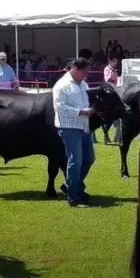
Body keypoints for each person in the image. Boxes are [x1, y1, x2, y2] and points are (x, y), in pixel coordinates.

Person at [53, 57, 97, 208]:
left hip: (84, 126)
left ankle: (71, 185)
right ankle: (74, 197)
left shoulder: (83, 84)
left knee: (89, 158)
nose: (86, 74)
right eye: (85, 71)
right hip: (69, 127)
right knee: (75, 160)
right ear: (75, 69)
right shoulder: (62, 85)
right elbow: (59, 108)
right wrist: (81, 112)